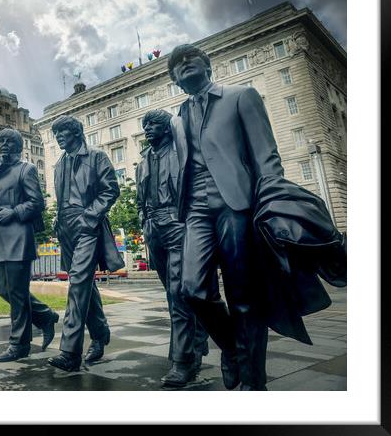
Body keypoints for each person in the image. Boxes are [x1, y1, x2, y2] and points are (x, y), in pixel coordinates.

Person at [168, 43, 284, 391]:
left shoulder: (240, 96)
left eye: (191, 57)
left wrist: (273, 202)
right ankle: (233, 349)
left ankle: (253, 383)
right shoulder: (178, 117)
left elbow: (266, 156)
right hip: (196, 210)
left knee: (244, 296)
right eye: (176, 63)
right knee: (192, 289)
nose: (184, 63)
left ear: (207, 64)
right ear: (174, 78)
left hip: (237, 204)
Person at [135, 109, 210, 387]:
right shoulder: (143, 160)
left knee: (179, 294)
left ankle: (183, 361)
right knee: (174, 293)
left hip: (179, 225)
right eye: (145, 126)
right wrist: (144, 219)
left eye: (153, 125)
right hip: (154, 229)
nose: (147, 130)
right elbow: (141, 197)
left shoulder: (182, 152)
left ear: (167, 128)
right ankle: (198, 338)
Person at [47, 116, 123, 372]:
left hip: (88, 225)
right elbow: (62, 199)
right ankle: (100, 334)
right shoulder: (59, 164)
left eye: (63, 131)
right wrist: (59, 220)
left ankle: (70, 352)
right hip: (66, 230)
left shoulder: (96, 156)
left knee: (78, 283)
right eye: (56, 133)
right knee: (84, 285)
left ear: (77, 132)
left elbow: (111, 190)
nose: (58, 136)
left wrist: (89, 217)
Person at [0, 128, 59, 363]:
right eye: (1, 140)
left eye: (9, 141)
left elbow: (37, 203)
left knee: (16, 294)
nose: (4, 144)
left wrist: (13, 212)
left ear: (18, 146)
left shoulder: (26, 169)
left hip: (16, 237)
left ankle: (19, 345)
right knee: (5, 291)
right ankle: (45, 316)